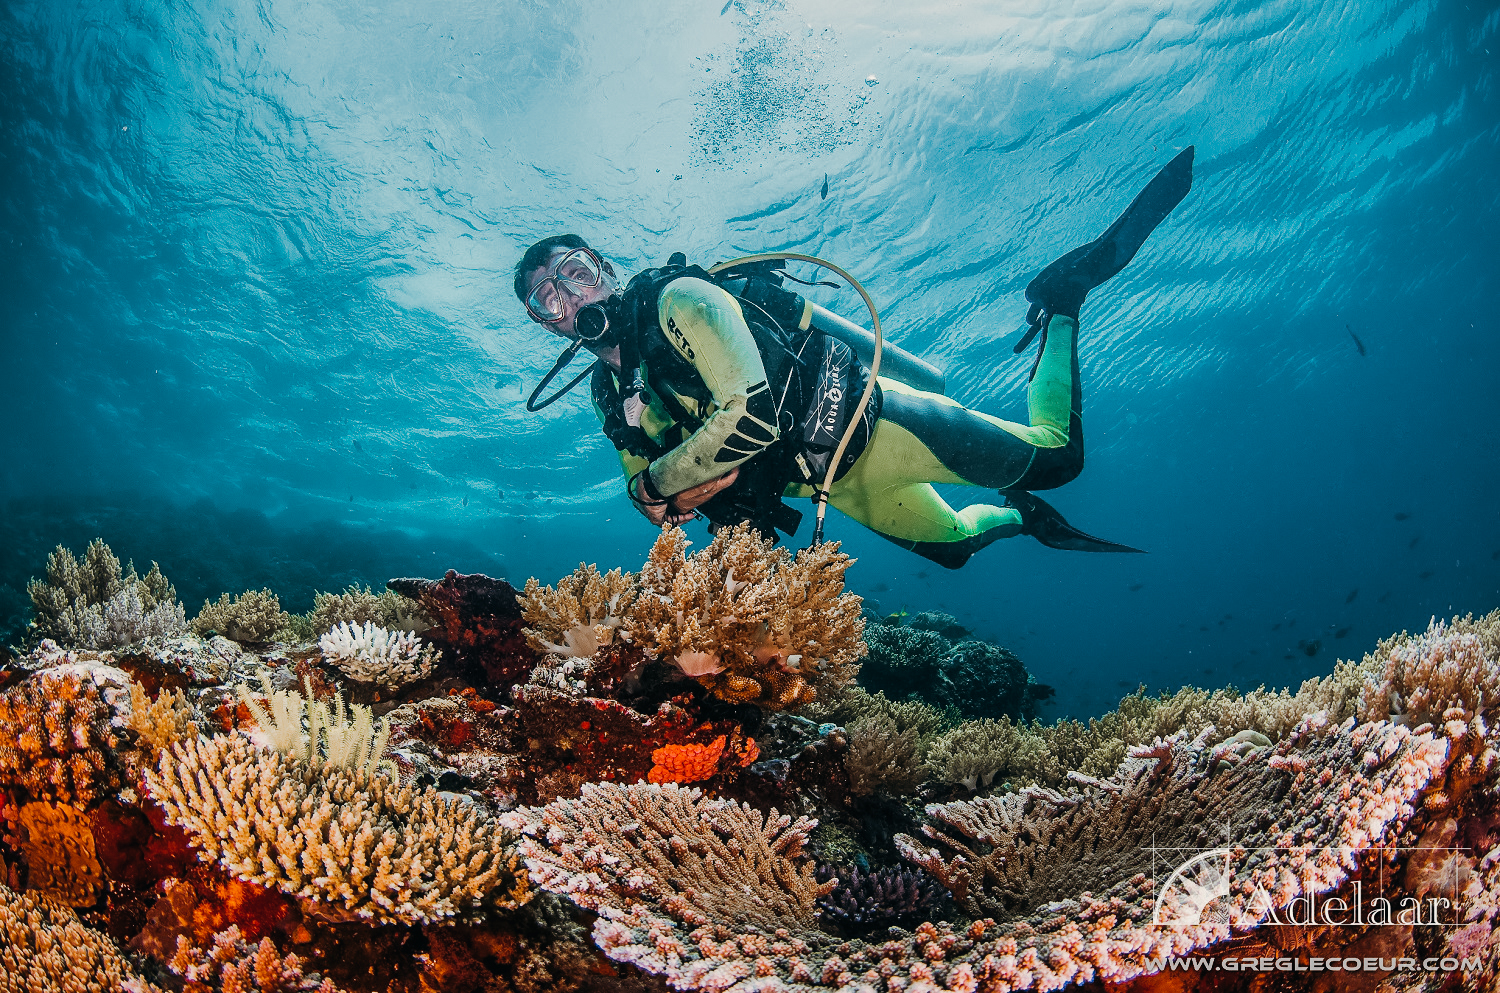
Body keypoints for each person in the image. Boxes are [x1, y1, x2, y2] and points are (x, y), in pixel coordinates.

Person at [513, 148, 1193, 568]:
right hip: (832, 483)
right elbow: (646, 494)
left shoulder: (680, 300)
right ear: (548, 327)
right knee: (955, 549)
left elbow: (746, 419)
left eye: (575, 272)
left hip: (877, 424)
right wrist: (656, 491)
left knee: (1061, 458)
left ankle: (1062, 299)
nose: (569, 297)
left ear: (603, 269)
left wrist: (662, 484)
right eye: (548, 299)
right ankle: (1023, 517)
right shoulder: (610, 393)